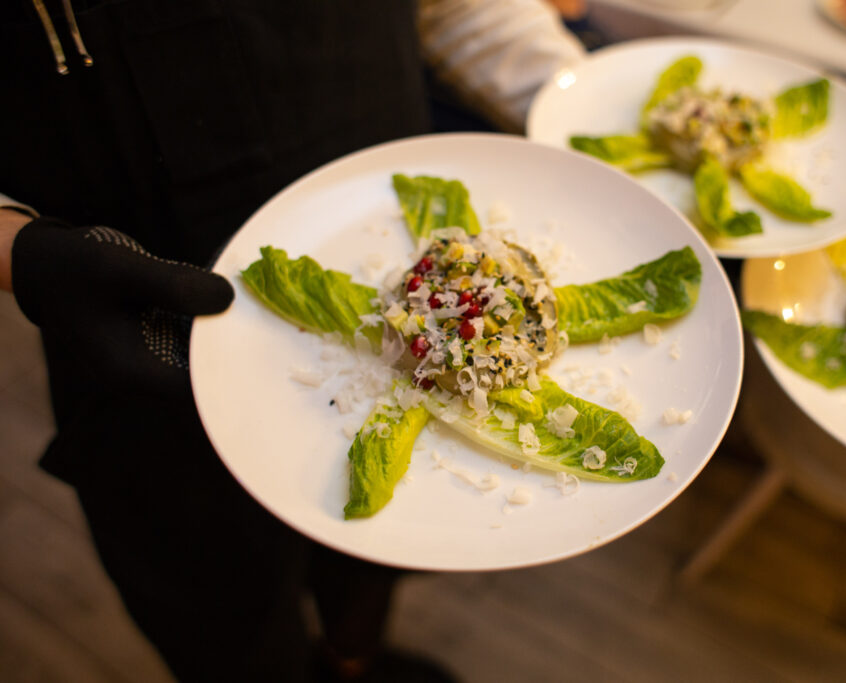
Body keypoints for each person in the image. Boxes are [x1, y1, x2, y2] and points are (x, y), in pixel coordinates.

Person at [0, 2, 585, 681]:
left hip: (386, 246)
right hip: (135, 336)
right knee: (220, 618)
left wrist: (578, 110)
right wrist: (20, 253)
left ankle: (351, 657)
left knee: (369, 557)